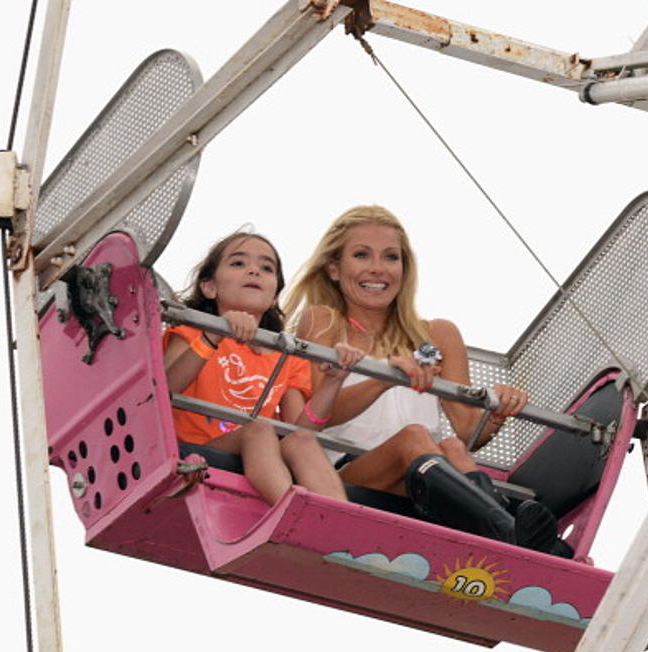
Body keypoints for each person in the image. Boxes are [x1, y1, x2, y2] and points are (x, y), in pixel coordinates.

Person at [284, 205, 567, 555]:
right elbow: (321, 413)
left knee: (452, 447)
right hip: (347, 471)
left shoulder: (437, 334)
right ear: (334, 269)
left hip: (428, 474)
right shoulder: (323, 321)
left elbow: (467, 431)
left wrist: (496, 411)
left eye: (391, 257)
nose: (377, 268)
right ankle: (512, 530)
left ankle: (512, 535)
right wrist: (387, 378)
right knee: (414, 437)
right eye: (361, 255)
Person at [163, 226, 363, 506]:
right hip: (198, 448)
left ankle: (339, 521)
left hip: (259, 447)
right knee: (259, 428)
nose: (254, 271)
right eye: (238, 263)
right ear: (210, 287)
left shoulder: (286, 356)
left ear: (273, 296)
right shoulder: (193, 331)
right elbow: (163, 390)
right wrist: (214, 335)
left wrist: (333, 381)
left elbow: (299, 429)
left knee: (302, 442)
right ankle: (287, 508)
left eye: (266, 268)